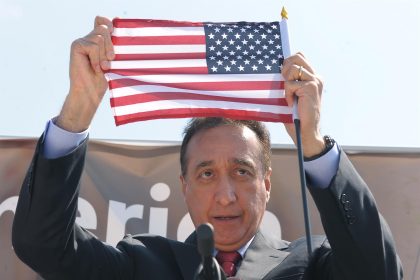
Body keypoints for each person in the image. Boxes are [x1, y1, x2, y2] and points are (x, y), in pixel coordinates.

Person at [12, 16, 403, 280]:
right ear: (184, 186)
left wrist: (314, 143)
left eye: (242, 171)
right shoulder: (141, 265)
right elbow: (42, 244)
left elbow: (379, 272)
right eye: (206, 174)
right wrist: (76, 112)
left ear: (267, 183)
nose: (226, 194)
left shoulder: (312, 263)